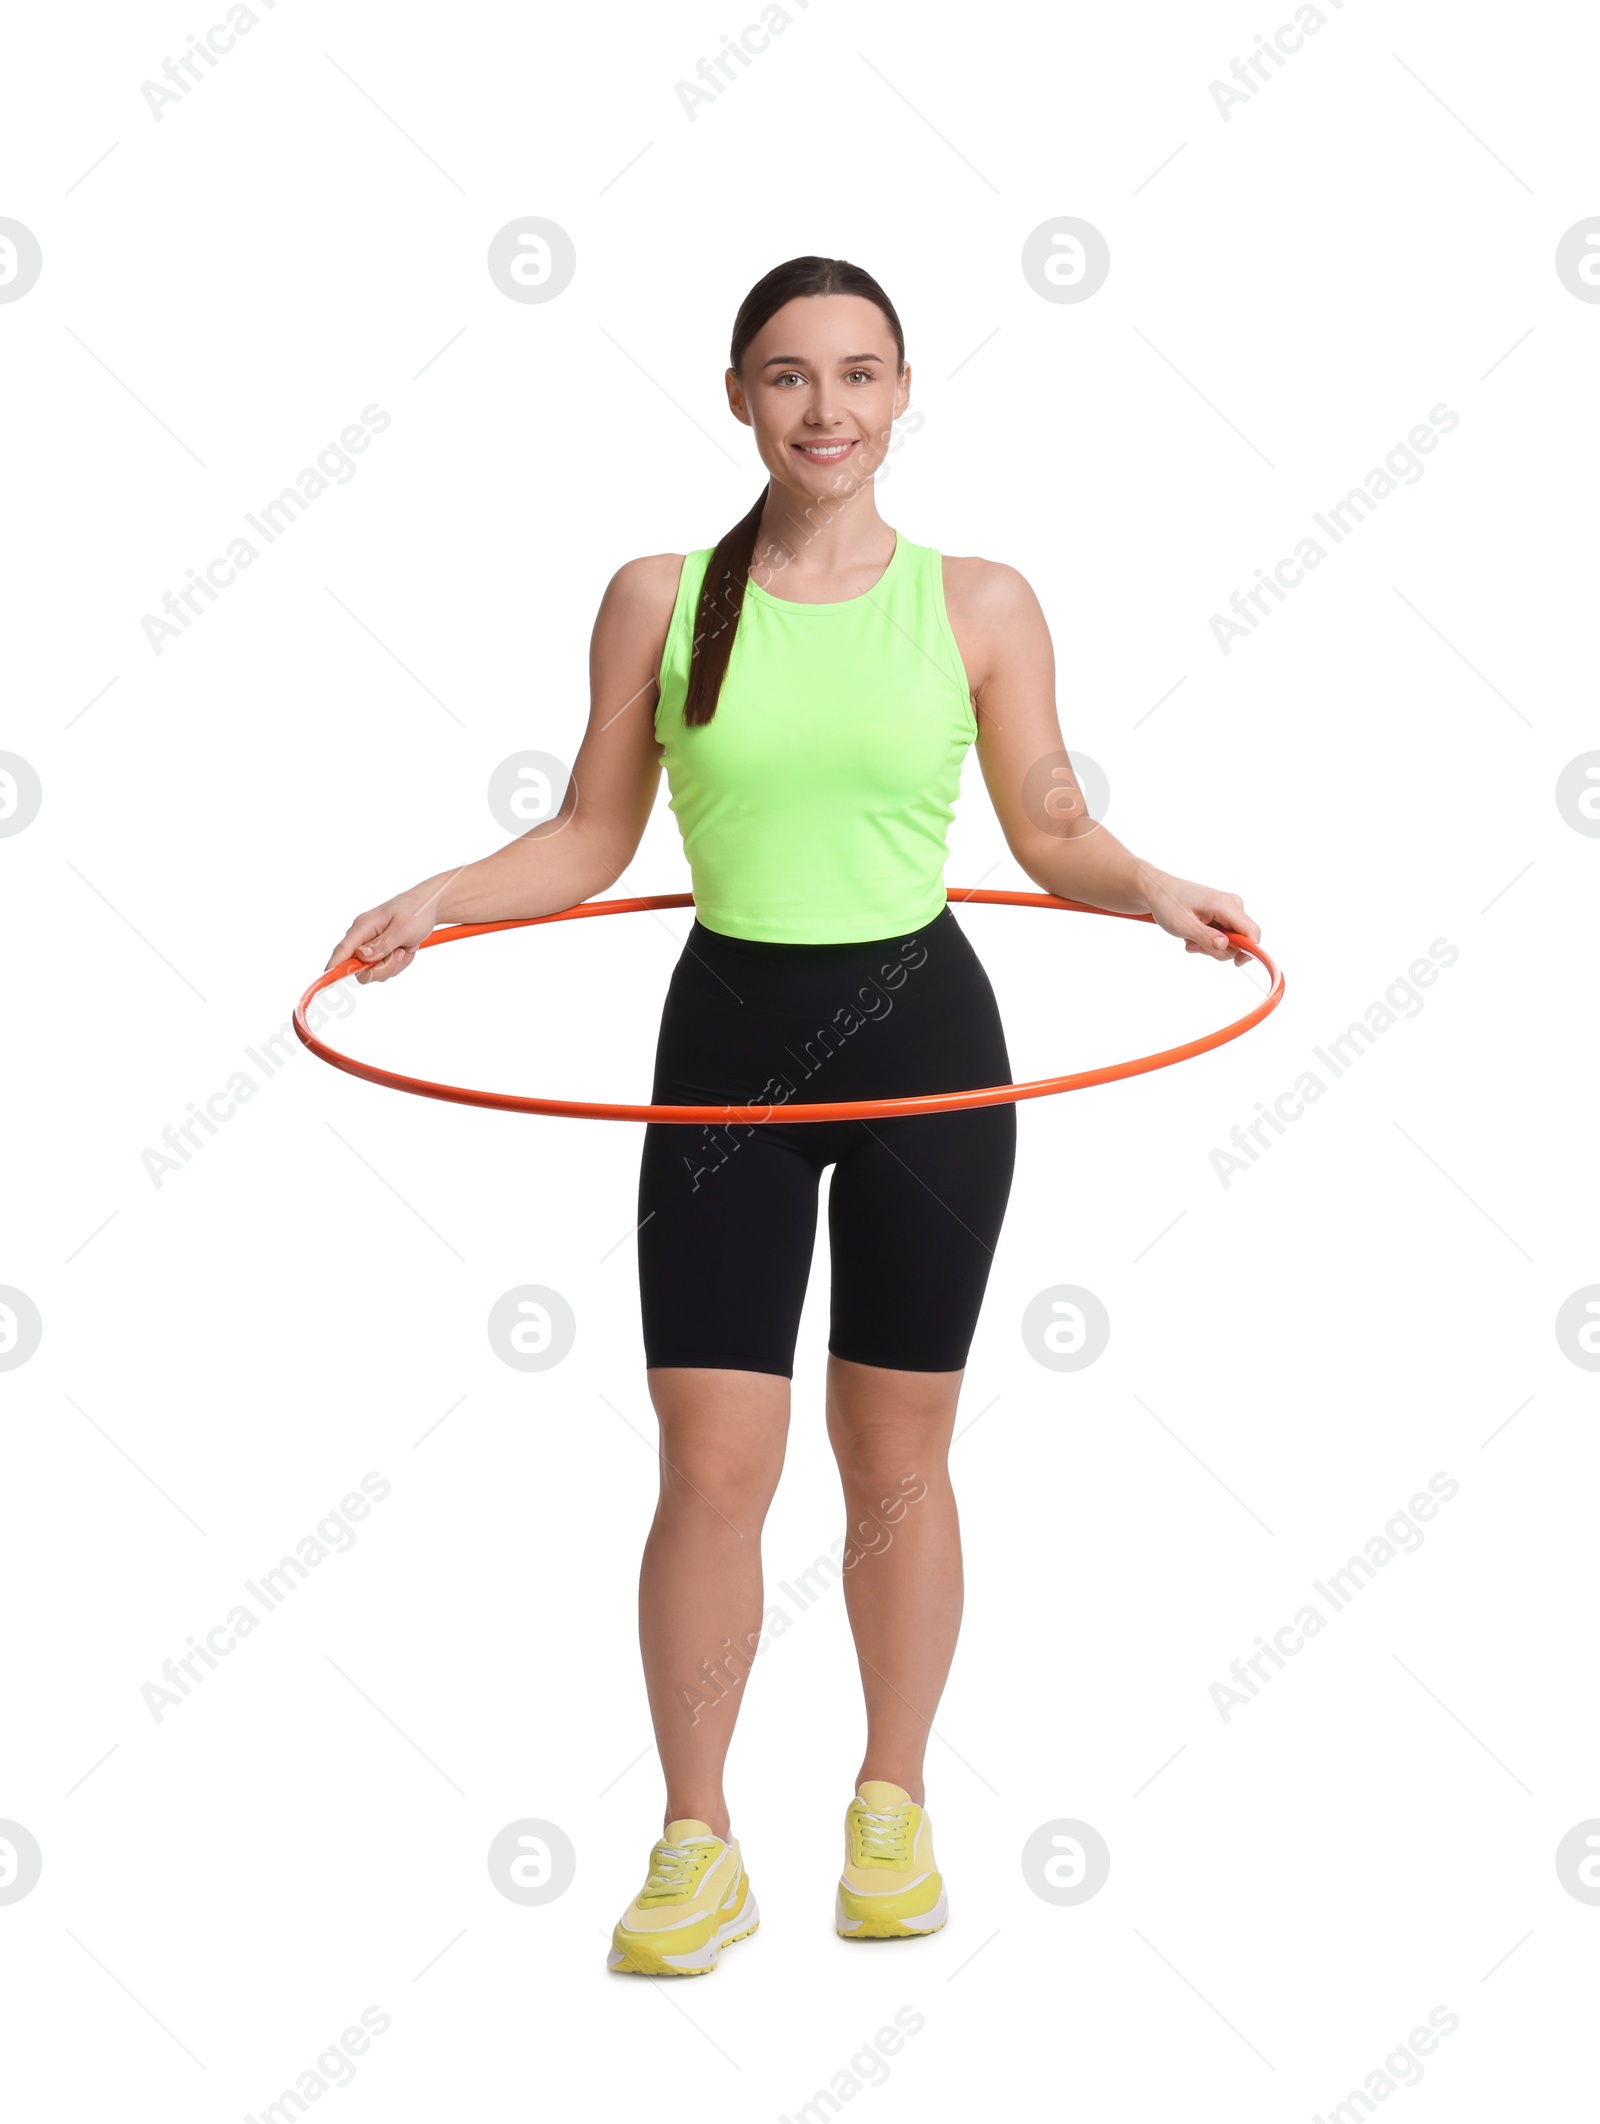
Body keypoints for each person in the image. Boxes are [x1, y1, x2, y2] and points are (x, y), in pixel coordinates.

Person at [324, 254, 1259, 1977]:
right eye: (788, 376)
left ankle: (890, 1808)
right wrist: (441, 897)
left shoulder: (980, 600)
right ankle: (697, 1841)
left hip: (929, 1050)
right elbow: (592, 838)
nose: (826, 410)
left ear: (906, 392)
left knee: (895, 1466)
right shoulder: (657, 596)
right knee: (710, 1465)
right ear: (740, 395)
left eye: (859, 374)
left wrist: (1150, 886)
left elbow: (1049, 823)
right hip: (727, 1048)